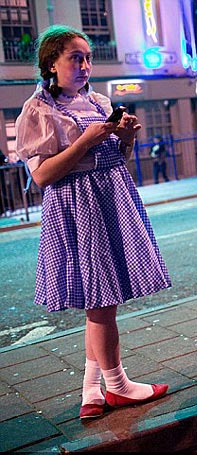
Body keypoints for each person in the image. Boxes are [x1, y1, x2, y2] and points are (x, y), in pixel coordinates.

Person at [14, 25, 171, 420]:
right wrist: (87, 140)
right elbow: (42, 176)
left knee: (100, 302)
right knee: (102, 303)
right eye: (75, 58)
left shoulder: (99, 102)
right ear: (52, 63)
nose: (85, 65)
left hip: (111, 197)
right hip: (78, 206)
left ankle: (91, 392)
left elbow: (117, 158)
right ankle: (118, 386)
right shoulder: (39, 109)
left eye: (87, 58)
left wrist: (127, 139)